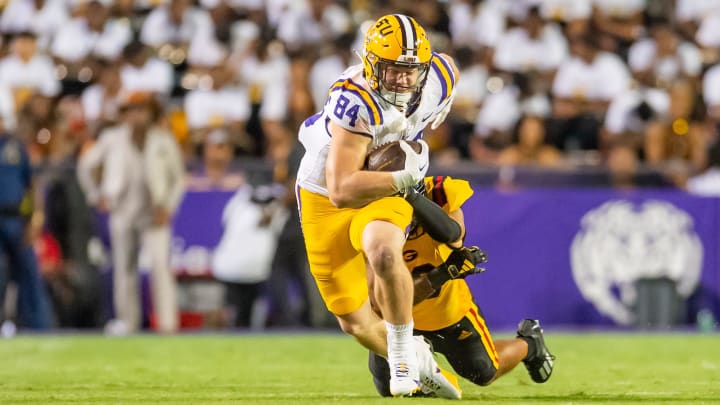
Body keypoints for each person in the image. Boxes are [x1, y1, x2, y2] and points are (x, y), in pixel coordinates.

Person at [295, 14, 461, 398]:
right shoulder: (355, 100)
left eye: (411, 70)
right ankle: (418, 358)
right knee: (353, 321)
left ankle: (402, 352)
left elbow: (446, 70)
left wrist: (432, 120)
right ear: (371, 64)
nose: (404, 80)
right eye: (392, 70)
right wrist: (405, 177)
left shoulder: (438, 77)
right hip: (326, 192)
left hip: (380, 192)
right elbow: (342, 189)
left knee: (384, 249)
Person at [366, 175, 556, 396]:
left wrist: (413, 198)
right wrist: (444, 273)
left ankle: (530, 344)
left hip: (447, 311)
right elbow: (382, 304)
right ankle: (425, 373)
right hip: (397, 319)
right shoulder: (369, 222)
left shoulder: (440, 192)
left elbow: (454, 236)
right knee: (387, 388)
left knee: (484, 372)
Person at [77, 92, 186, 335]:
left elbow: (178, 179)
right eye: (130, 110)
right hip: (123, 208)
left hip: (154, 212)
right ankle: (128, 323)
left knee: (160, 267)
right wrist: (96, 195)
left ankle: (168, 326)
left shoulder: (162, 139)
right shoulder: (112, 138)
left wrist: (167, 207)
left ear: (151, 113)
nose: (135, 115)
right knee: (124, 268)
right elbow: (85, 165)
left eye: (141, 110)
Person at [0, 121, 53, 332]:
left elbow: (33, 183)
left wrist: (36, 219)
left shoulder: (15, 147)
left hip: (16, 219)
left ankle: (38, 327)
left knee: (29, 273)